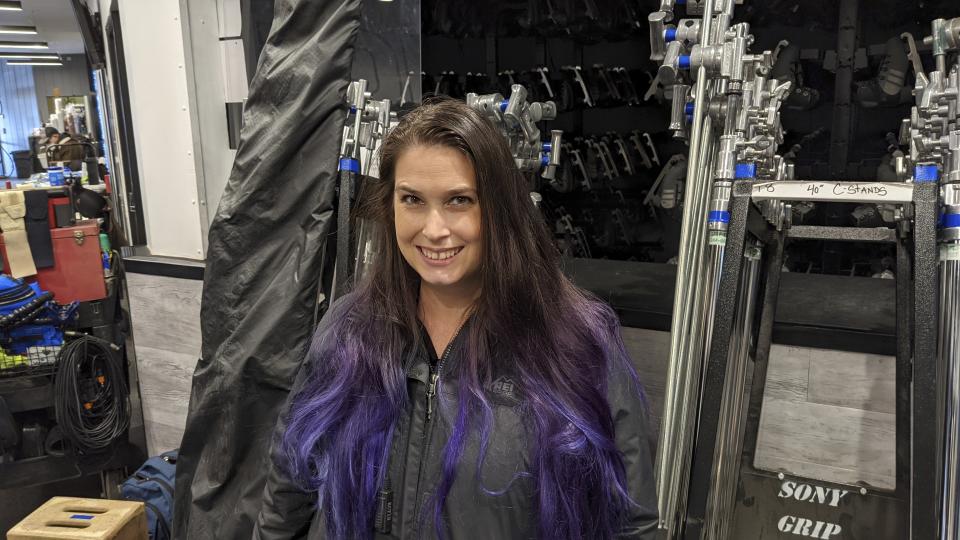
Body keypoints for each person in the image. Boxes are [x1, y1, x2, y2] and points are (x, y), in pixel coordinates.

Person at [253, 98, 658, 539]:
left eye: (459, 200)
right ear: (390, 207)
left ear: (499, 208)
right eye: (412, 199)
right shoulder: (348, 331)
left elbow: (629, 523)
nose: (433, 229)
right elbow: (288, 487)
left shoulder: (576, 343)